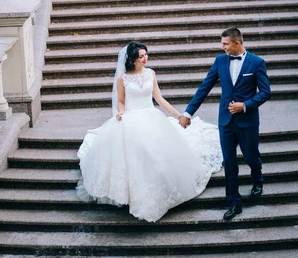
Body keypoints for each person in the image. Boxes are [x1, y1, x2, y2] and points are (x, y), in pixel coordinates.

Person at [76, 41, 222, 222]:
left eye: (146, 55)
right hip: (130, 119)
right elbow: (121, 101)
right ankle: (133, 195)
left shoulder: (151, 74)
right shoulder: (123, 78)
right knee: (135, 158)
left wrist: (178, 115)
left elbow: (159, 98)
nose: (145, 59)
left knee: (157, 155)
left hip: (151, 117)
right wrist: (120, 113)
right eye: (141, 56)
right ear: (132, 59)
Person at [179, 27, 271, 221]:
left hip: (248, 121)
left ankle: (258, 180)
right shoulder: (220, 61)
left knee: (251, 156)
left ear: (237, 43)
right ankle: (234, 201)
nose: (222, 48)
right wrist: (188, 113)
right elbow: (205, 87)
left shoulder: (257, 62)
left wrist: (245, 105)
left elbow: (265, 92)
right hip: (226, 121)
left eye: (225, 44)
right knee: (229, 162)